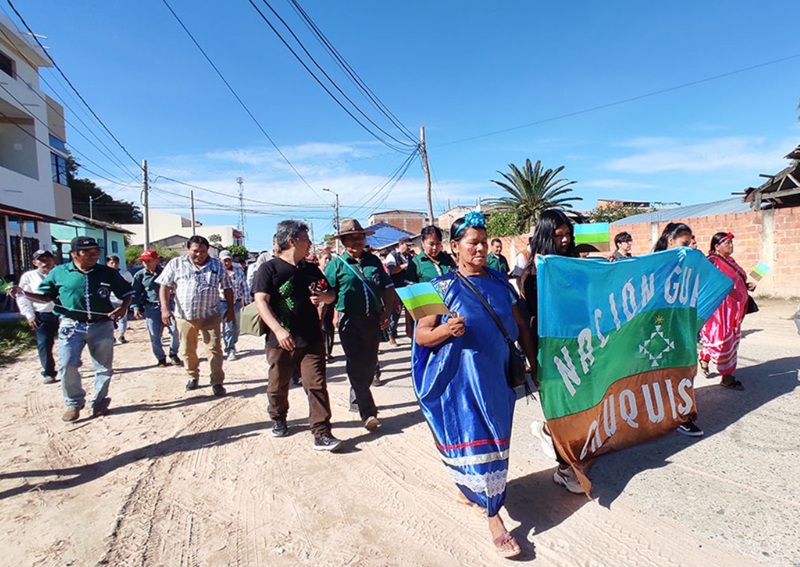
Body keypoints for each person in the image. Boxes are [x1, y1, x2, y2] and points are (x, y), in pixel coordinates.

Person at [413, 211, 535, 559]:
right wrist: (445, 332)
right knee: (475, 440)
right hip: (461, 383)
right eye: (473, 243)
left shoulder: (500, 282)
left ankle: (468, 490)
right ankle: (494, 516)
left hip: (496, 379)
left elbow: (521, 325)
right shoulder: (436, 287)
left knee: (496, 441)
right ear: (455, 248)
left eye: (484, 242)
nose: (481, 248)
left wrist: (534, 363)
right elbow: (422, 335)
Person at [9, 236, 133, 421]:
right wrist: (24, 293)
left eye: (95, 252)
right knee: (67, 365)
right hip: (71, 326)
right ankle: (73, 403)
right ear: (74, 254)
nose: (93, 255)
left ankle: (100, 402)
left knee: (103, 368)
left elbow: (127, 293)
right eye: (87, 252)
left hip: (102, 325)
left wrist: (123, 308)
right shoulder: (59, 273)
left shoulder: (107, 273)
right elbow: (46, 297)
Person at [252, 220, 342, 451]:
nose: (310, 243)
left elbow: (330, 294)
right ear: (292, 241)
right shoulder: (268, 269)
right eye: (306, 238)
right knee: (278, 384)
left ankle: (321, 432)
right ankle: (278, 417)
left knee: (316, 384)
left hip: (311, 337)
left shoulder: (310, 269)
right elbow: (261, 302)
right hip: (280, 341)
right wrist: (279, 330)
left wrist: (325, 298)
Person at [520, 210, 586, 494]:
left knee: (578, 404)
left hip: (579, 344)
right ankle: (564, 469)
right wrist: (534, 362)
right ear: (546, 237)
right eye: (558, 235)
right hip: (550, 351)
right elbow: (534, 317)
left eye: (567, 234)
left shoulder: (574, 265)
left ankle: (548, 432)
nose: (564, 240)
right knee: (562, 408)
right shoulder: (533, 274)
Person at [323, 219, 393, 431]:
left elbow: (388, 288)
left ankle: (357, 396)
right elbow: (328, 294)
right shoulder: (335, 266)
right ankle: (368, 411)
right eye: (351, 238)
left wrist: (387, 312)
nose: (356, 241)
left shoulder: (373, 262)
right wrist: (323, 320)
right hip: (349, 321)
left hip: (372, 319)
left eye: (359, 237)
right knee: (355, 362)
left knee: (370, 364)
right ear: (343, 241)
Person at [156, 235, 234, 396]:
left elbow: (227, 288)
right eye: (195, 251)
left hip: (211, 314)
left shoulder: (216, 265)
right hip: (185, 316)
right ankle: (193, 376)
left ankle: (217, 381)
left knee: (214, 348)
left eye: (203, 251)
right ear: (188, 249)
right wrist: (165, 309)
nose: (199, 254)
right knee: (187, 349)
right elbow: (164, 286)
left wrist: (231, 309)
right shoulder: (176, 264)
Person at [652, 222, 705, 436]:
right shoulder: (653, 266)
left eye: (692, 241)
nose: (691, 245)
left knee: (683, 371)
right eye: (686, 242)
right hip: (658, 328)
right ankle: (665, 414)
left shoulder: (689, 266)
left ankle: (682, 415)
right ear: (670, 241)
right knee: (659, 374)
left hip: (681, 328)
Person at [699, 232, 755, 391]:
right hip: (720, 313)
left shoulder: (730, 261)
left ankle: (705, 357)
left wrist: (748, 285)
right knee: (723, 340)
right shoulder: (711, 262)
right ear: (716, 247)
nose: (731, 246)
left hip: (734, 310)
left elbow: (736, 281)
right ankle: (727, 376)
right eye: (727, 243)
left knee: (728, 339)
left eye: (731, 243)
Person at [131, 249, 181, 368]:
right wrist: (135, 307)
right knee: (154, 334)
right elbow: (135, 293)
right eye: (143, 261)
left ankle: (173, 353)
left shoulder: (166, 272)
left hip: (170, 305)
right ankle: (161, 358)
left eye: (149, 260)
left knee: (175, 330)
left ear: (156, 261)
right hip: (151, 306)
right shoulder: (140, 275)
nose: (145, 263)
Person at [14, 249, 58, 384]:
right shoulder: (28, 277)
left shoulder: (61, 273)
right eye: (42, 260)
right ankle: (49, 372)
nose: (46, 263)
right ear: (35, 262)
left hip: (64, 314)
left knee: (68, 342)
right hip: (42, 315)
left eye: (48, 259)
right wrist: (30, 315)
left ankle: (70, 365)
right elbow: (22, 296)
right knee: (44, 343)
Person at [383, 236, 415, 345]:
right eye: (407, 246)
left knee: (410, 313)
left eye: (410, 246)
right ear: (400, 245)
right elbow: (392, 270)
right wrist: (405, 265)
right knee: (395, 312)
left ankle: (411, 333)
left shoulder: (410, 257)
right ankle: (391, 334)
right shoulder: (392, 256)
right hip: (396, 289)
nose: (409, 248)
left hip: (408, 288)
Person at [219, 250, 248, 361]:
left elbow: (244, 285)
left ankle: (233, 340)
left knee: (237, 327)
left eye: (229, 260)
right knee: (228, 327)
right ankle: (230, 349)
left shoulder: (238, 271)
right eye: (224, 260)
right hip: (223, 303)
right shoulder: (219, 272)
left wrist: (247, 300)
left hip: (237, 302)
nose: (227, 262)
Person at [106, 255, 133, 344]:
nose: (114, 265)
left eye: (116, 263)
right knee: (109, 319)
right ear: (107, 263)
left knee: (123, 318)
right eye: (112, 263)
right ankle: (111, 336)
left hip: (121, 301)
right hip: (110, 300)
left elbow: (130, 286)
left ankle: (121, 335)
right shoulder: (104, 274)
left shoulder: (125, 274)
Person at [318, 252, 336, 361]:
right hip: (318, 304)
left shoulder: (331, 273)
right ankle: (321, 351)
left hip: (330, 303)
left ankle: (328, 352)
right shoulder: (316, 272)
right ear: (319, 260)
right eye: (325, 259)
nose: (327, 261)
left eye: (329, 259)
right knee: (321, 328)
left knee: (329, 327)